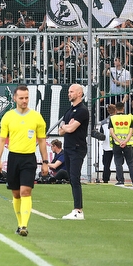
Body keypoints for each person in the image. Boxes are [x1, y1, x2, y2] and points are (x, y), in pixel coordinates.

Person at [0, 85, 49, 237]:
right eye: (21, 98)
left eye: (26, 98)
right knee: (16, 194)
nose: (24, 101)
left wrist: (45, 161)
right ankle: (19, 223)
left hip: (29, 159)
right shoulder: (8, 117)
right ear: (15, 98)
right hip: (13, 158)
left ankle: (24, 225)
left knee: (26, 191)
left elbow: (42, 141)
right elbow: (1, 139)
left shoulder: (37, 117)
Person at [59, 83, 89, 219]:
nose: (69, 94)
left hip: (77, 148)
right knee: (71, 178)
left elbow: (70, 129)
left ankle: (78, 210)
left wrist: (66, 126)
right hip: (68, 147)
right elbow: (60, 131)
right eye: (69, 92)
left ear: (79, 93)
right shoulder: (69, 111)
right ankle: (76, 209)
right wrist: (67, 126)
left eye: (72, 92)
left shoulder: (82, 110)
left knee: (75, 178)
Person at [109, 103, 133, 186]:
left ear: (116, 109)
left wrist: (119, 141)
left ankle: (121, 181)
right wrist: (125, 141)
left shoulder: (113, 118)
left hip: (117, 143)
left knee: (118, 163)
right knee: (130, 163)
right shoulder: (129, 117)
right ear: (123, 108)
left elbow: (112, 132)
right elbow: (131, 131)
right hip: (128, 143)